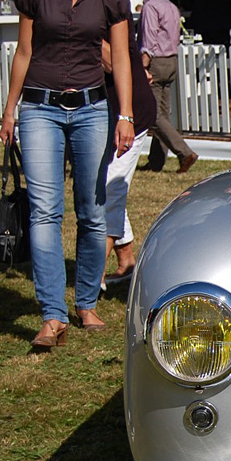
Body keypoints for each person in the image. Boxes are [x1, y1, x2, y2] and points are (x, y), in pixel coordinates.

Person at [0, 0, 135, 349]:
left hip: (93, 109)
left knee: (93, 212)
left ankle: (87, 302)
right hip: (40, 107)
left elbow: (122, 56)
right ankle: (52, 314)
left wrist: (125, 114)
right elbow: (24, 51)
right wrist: (9, 109)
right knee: (44, 211)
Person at [100, 35, 156, 288]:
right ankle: (126, 262)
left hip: (132, 115)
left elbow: (112, 62)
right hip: (108, 115)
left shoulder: (103, 6)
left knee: (109, 192)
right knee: (107, 187)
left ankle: (93, 277)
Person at [136, 0, 198, 173]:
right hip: (171, 59)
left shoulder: (150, 6)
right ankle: (156, 161)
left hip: (156, 61)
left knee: (153, 114)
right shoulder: (171, 5)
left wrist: (144, 64)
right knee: (162, 113)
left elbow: (149, 37)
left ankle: (184, 152)